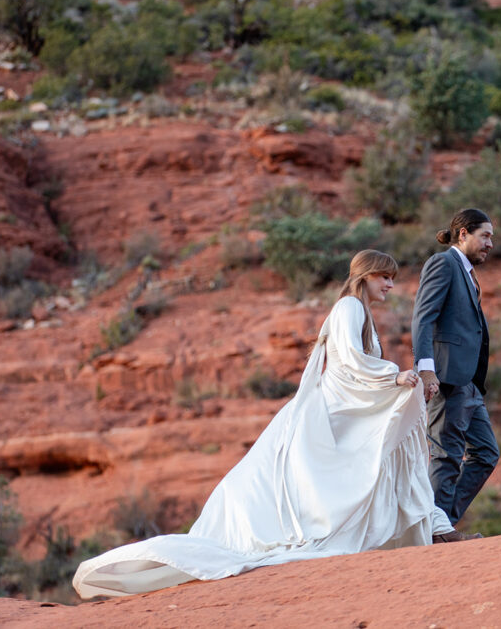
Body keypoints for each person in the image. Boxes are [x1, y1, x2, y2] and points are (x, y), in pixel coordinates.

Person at [73, 250, 457, 599]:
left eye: (391, 278)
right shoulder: (350, 308)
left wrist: (393, 381)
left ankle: (437, 528)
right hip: (333, 414)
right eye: (383, 277)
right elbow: (354, 362)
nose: (390, 285)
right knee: (365, 464)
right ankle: (437, 530)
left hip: (343, 410)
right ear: (366, 276)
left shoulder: (360, 312)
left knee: (377, 462)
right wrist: (394, 378)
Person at [412, 208, 499, 527]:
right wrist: (426, 369)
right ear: (464, 234)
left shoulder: (466, 271)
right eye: (485, 235)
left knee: (487, 454)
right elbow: (424, 317)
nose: (490, 243)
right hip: (447, 379)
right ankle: (436, 530)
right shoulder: (443, 263)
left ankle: (441, 523)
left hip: (470, 382)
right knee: (446, 456)